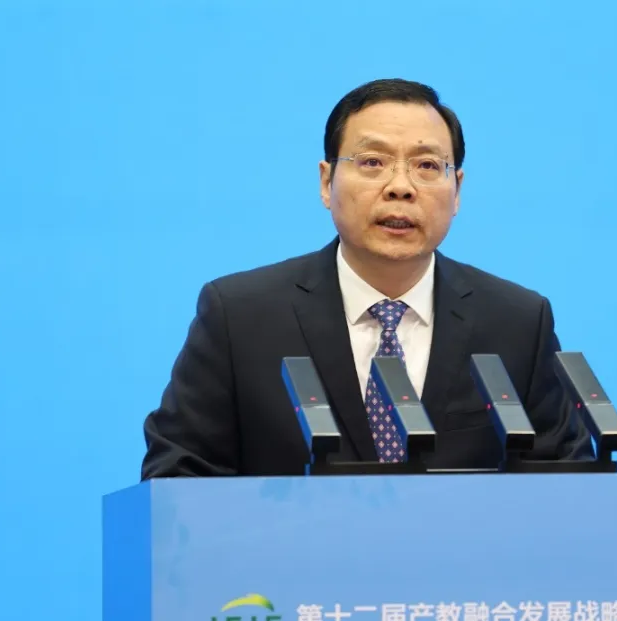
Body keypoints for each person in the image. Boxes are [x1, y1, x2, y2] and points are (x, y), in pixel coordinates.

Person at [140, 78, 593, 478]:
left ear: (457, 190)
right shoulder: (238, 317)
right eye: (373, 162)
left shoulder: (517, 322)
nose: (401, 186)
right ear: (326, 182)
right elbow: (178, 479)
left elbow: (567, 490)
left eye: (427, 166)